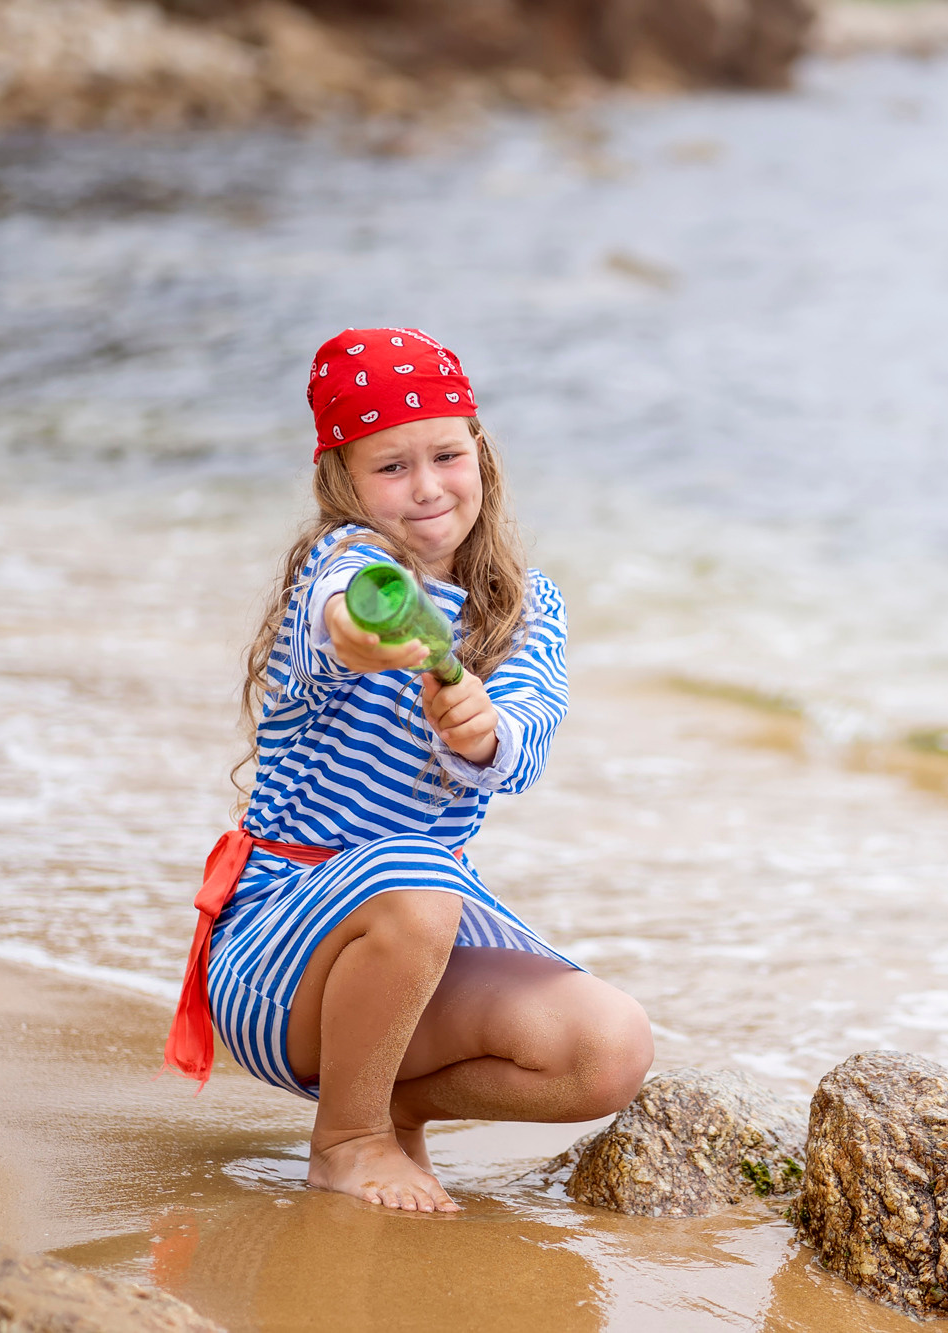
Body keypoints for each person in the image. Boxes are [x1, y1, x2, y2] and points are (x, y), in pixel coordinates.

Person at [163, 327, 654, 1212]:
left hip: (415, 948)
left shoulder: (529, 606)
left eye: (446, 456)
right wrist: (368, 635)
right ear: (344, 483)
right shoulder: (346, 565)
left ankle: (391, 1103)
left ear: (481, 454)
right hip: (276, 957)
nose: (427, 487)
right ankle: (346, 1138)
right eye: (392, 467)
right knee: (420, 882)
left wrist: (484, 730)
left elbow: (527, 737)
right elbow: (341, 616)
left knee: (609, 1048)